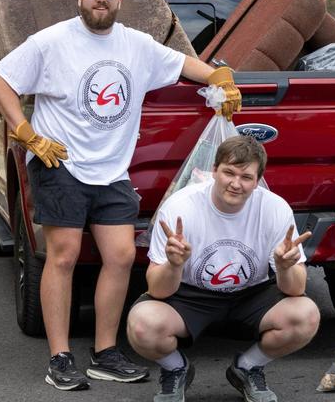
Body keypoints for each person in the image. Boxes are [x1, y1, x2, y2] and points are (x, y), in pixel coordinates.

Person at [0, 0, 242, 391]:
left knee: (121, 256)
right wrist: (27, 133)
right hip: (59, 163)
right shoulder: (52, 41)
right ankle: (59, 356)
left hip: (112, 171)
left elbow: (188, 67)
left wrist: (222, 77)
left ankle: (104, 352)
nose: (100, 0)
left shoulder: (136, 44)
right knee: (63, 257)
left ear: (120, 1)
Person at [127, 136, 320, 401]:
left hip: (251, 294)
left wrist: (285, 267)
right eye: (228, 172)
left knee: (306, 314)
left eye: (246, 177)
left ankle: (248, 367)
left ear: (258, 180)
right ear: (214, 170)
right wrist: (174, 264)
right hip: (190, 294)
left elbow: (296, 288)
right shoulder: (180, 207)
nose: (235, 183)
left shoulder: (275, 208)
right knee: (142, 325)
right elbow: (158, 290)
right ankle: (176, 369)